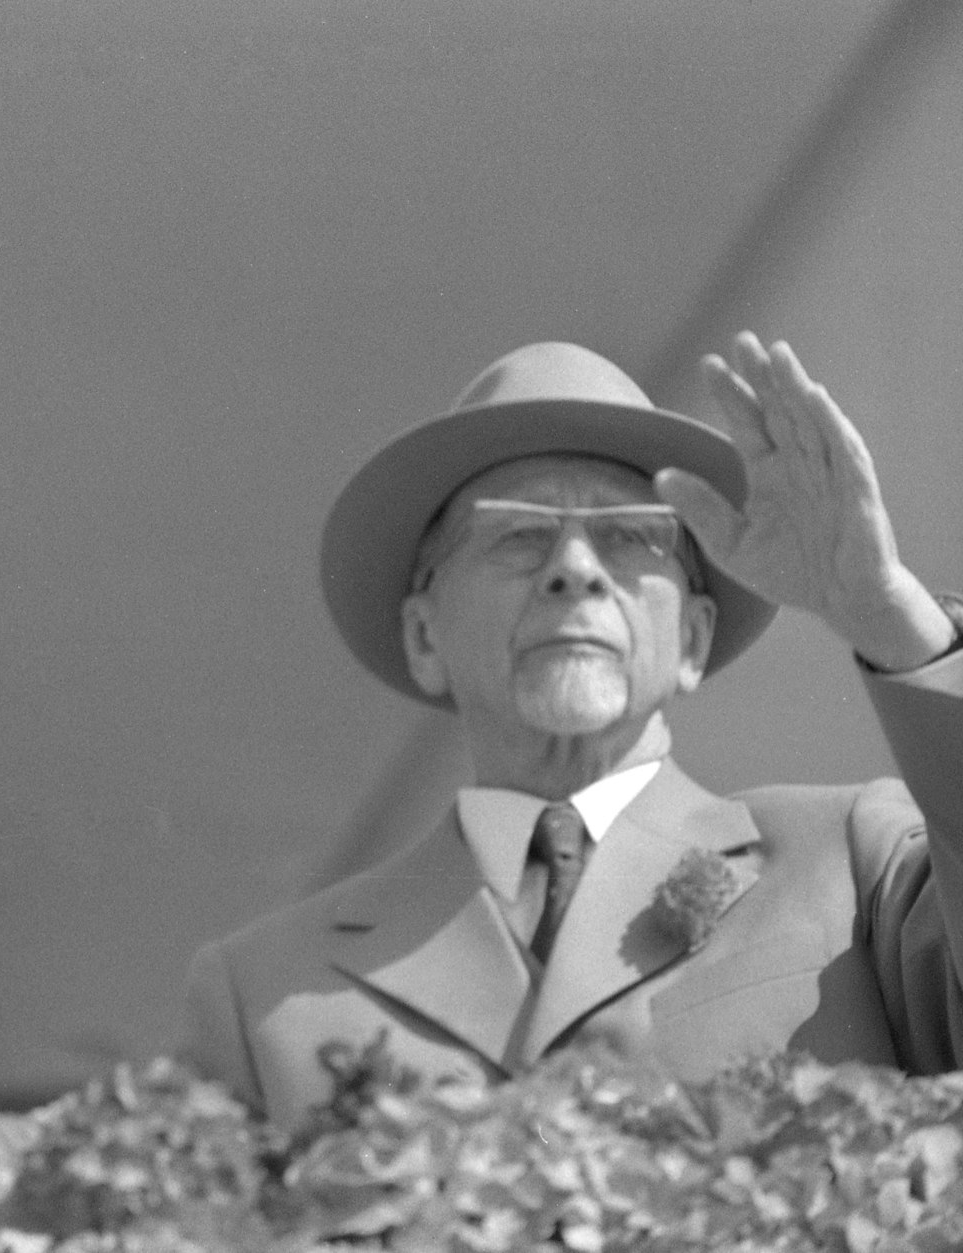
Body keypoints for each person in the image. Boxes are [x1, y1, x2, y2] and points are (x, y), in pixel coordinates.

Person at [182, 335, 963, 1128]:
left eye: (628, 536)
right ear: (425, 637)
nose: (576, 569)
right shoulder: (266, 995)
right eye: (519, 536)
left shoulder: (852, 864)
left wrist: (890, 615)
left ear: (692, 639)